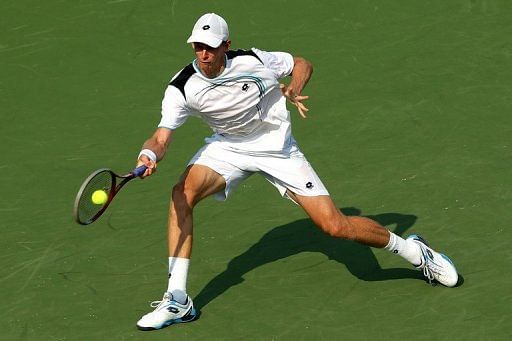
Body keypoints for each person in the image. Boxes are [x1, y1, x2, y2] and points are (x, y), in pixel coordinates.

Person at [134, 13, 458, 331]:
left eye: (211, 47)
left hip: (277, 149)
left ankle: (417, 252)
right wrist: (149, 154)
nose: (204, 54)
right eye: (198, 47)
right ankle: (177, 299)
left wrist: (293, 86)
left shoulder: (254, 60)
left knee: (334, 226)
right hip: (228, 148)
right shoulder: (182, 87)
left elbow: (302, 63)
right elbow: (161, 137)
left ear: (226, 45)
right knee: (181, 194)